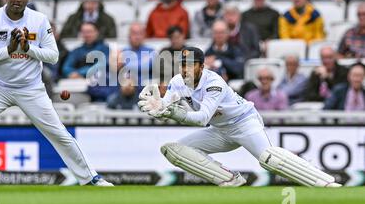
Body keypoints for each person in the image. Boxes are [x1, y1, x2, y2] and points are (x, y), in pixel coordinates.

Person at [0, 0, 112, 186]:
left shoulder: (39, 20)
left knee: (58, 132)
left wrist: (27, 49)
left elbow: (53, 56)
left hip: (30, 87)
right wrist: (8, 51)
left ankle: (90, 178)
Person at [138, 46, 341, 187]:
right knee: (174, 150)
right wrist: (159, 107)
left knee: (269, 159)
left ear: (202, 66)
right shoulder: (178, 81)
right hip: (220, 130)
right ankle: (229, 179)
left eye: (191, 65)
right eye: (183, 64)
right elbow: (166, 106)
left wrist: (174, 113)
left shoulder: (213, 82)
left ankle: (326, 182)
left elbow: (200, 118)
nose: (185, 69)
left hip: (244, 123)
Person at [119, 23, 155, 89]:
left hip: (146, 90)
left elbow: (145, 66)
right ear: (129, 36)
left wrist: (125, 64)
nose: (137, 37)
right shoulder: (123, 51)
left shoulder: (151, 51)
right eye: (134, 33)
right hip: (127, 90)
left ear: (144, 35)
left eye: (140, 34)